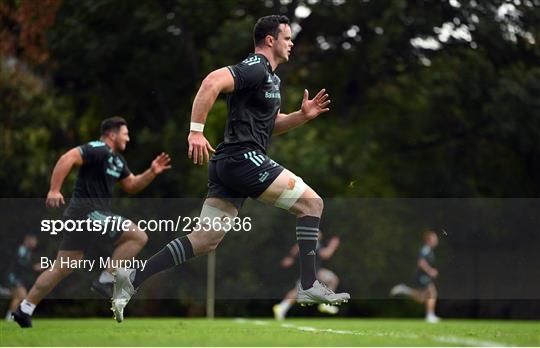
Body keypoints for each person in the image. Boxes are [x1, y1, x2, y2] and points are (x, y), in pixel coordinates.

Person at [111, 15, 349, 322]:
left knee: (203, 240)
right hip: (243, 159)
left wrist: (302, 116)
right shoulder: (255, 67)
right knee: (312, 203)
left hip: (228, 165)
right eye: (287, 38)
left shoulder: (273, 79)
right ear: (270, 40)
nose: (292, 43)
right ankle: (308, 285)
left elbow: (269, 126)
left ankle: (132, 277)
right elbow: (211, 81)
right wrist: (196, 131)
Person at [13, 116, 171, 328]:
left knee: (62, 268)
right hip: (86, 213)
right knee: (138, 235)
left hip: (86, 217)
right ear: (112, 135)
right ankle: (106, 279)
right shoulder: (98, 149)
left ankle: (25, 309)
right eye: (125, 134)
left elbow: (132, 185)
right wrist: (54, 189)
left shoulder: (117, 160)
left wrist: (151, 172)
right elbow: (67, 157)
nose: (128, 138)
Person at [273, 232, 342, 320]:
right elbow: (326, 255)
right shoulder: (313, 242)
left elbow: (296, 247)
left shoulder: (312, 242)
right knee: (298, 290)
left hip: (316, 271)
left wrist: (290, 258)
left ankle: (325, 304)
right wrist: (333, 245)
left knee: (332, 280)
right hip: (311, 272)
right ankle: (282, 307)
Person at [390, 230, 441, 323]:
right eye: (434, 238)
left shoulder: (429, 250)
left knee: (422, 298)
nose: (436, 240)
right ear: (429, 240)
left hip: (423, 276)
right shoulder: (426, 249)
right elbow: (421, 262)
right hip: (422, 276)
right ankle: (430, 316)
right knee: (432, 293)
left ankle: (405, 289)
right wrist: (430, 271)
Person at [4, 235, 41, 321]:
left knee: (19, 297)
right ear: (28, 240)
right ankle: (10, 317)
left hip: (16, 277)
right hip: (13, 277)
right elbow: (20, 263)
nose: (35, 243)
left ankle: (11, 317)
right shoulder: (22, 250)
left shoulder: (27, 251)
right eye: (34, 241)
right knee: (21, 296)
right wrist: (33, 267)